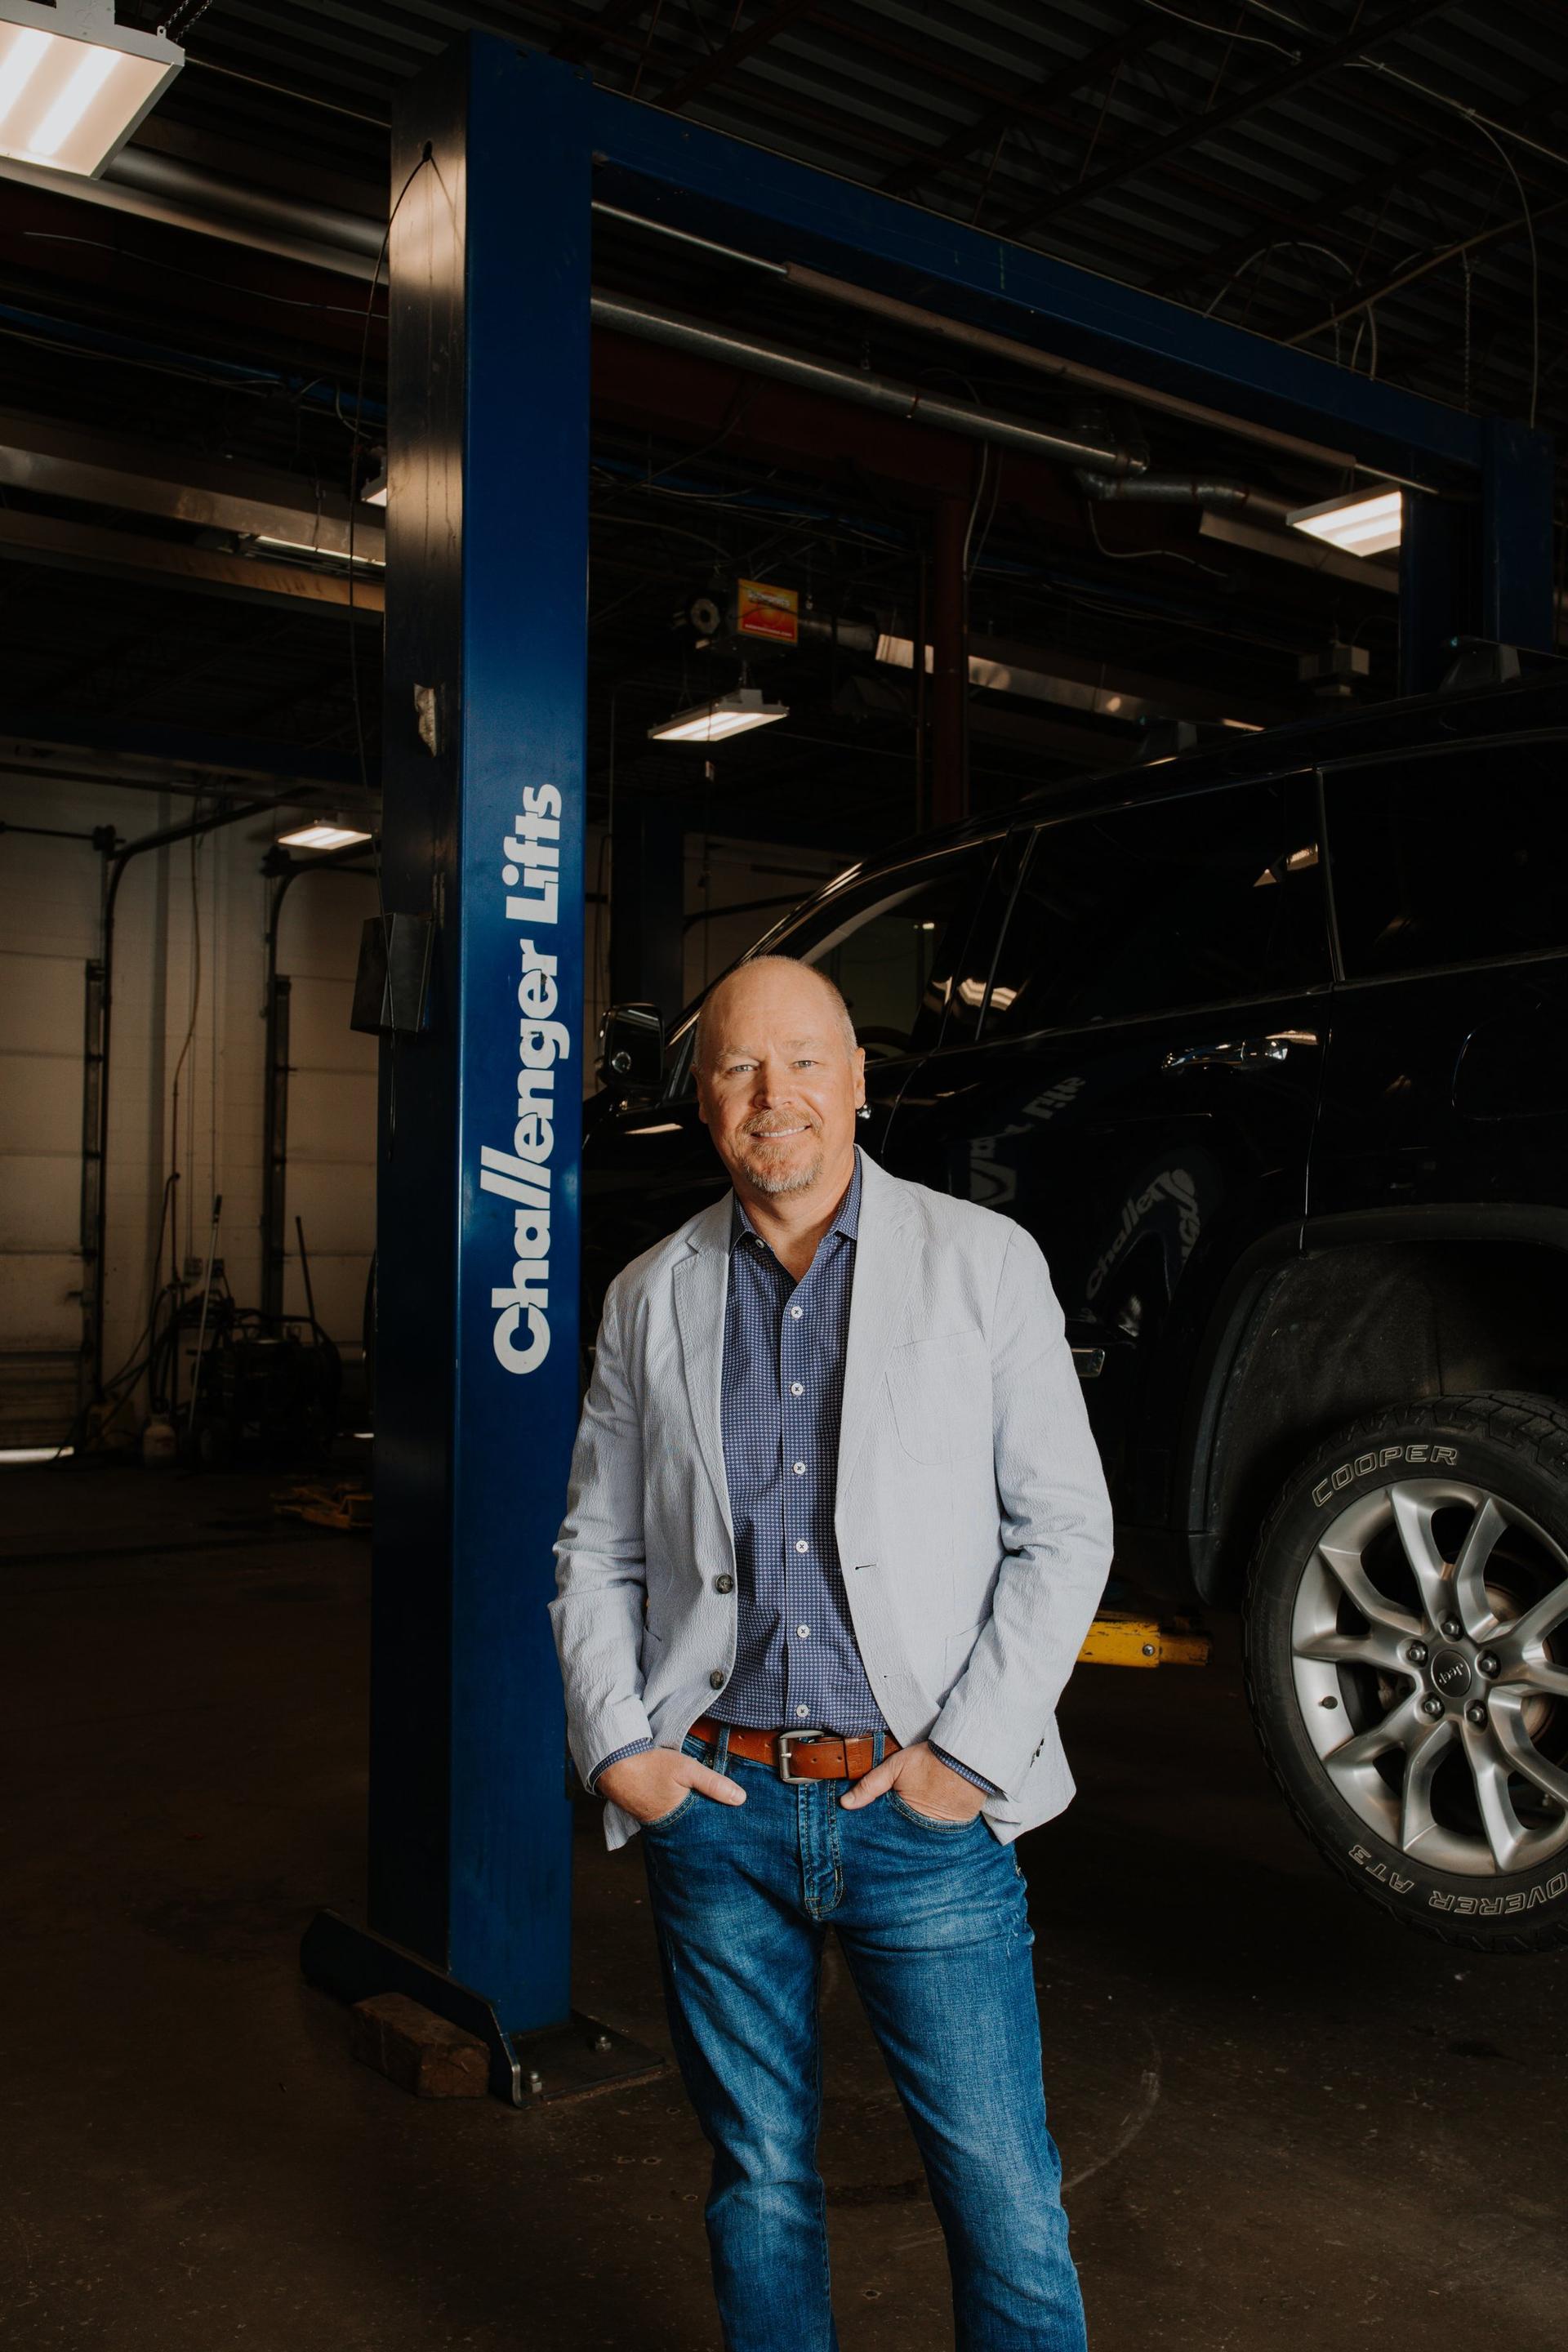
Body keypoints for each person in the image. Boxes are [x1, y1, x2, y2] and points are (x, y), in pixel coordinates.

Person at [550, 953, 1114, 2351]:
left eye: (805, 1060)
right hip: (720, 1809)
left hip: (919, 1816)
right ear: (702, 1101)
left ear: (861, 1081)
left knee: (1003, 2199)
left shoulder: (983, 1267)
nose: (774, 1095)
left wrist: (964, 1762)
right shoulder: (647, 1296)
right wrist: (623, 1748)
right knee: (759, 2186)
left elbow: (1067, 1532)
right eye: (741, 1067)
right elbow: (596, 1549)